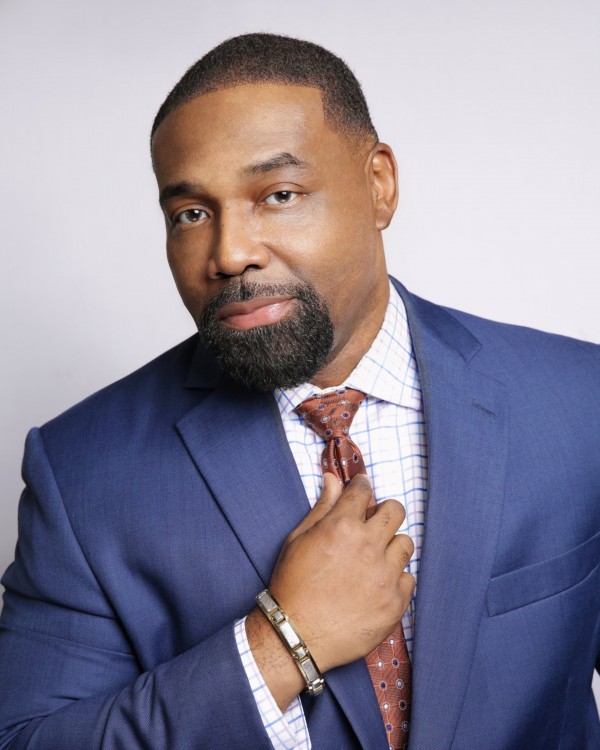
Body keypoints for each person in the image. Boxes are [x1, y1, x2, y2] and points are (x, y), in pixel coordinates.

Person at [0, 32, 598, 750]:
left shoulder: (580, 402)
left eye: (279, 195)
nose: (229, 253)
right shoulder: (82, 472)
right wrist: (280, 647)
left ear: (379, 185)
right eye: (191, 213)